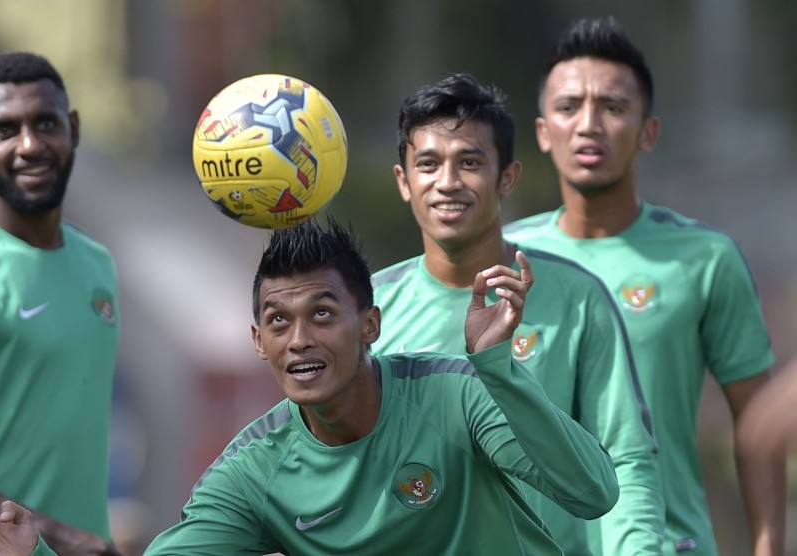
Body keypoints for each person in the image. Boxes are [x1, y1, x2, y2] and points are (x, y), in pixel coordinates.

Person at [144, 218, 619, 555]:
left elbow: (593, 493)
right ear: (258, 342)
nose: (300, 341)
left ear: (370, 325)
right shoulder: (253, 471)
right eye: (278, 322)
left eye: (322, 314)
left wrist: (497, 367)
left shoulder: (456, 393)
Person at [503, 16, 785, 555]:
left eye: (612, 107)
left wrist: (769, 546)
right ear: (543, 132)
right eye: (568, 107)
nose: (589, 124)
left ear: (648, 131)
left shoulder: (705, 259)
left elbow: (758, 427)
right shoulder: (503, 261)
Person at [372, 72, 663, 555]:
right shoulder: (368, 310)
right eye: (428, 163)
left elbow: (626, 457)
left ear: (506, 177)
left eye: (469, 162)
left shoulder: (575, 297)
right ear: (404, 181)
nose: (447, 182)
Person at [0, 52, 121, 554]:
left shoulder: (97, 262)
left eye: (46, 123)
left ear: (73, 129)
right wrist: (57, 534)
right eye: (5, 130)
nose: (30, 145)